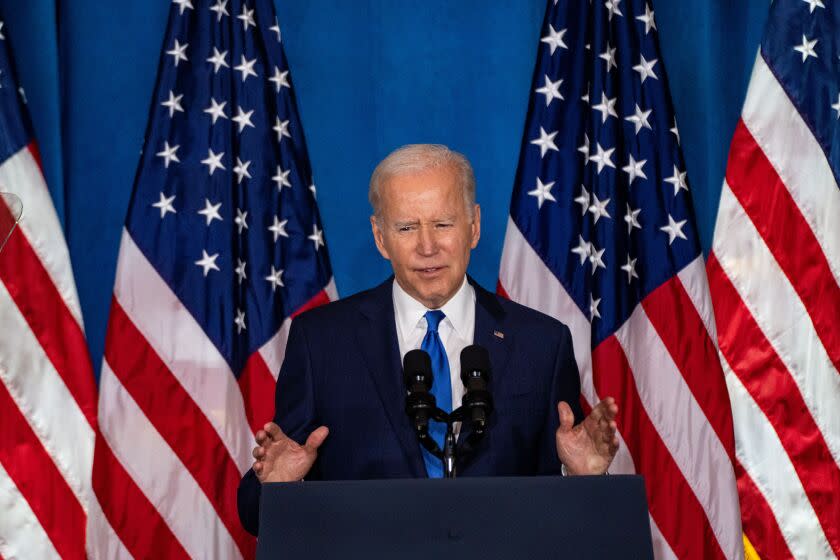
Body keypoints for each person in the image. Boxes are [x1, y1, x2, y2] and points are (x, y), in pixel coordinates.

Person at [237, 144, 618, 535]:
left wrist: (581, 476)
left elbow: (569, 524)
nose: (427, 246)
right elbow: (255, 516)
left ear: (474, 226)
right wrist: (280, 486)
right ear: (380, 237)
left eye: (443, 224)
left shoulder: (543, 344)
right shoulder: (321, 342)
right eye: (406, 227)